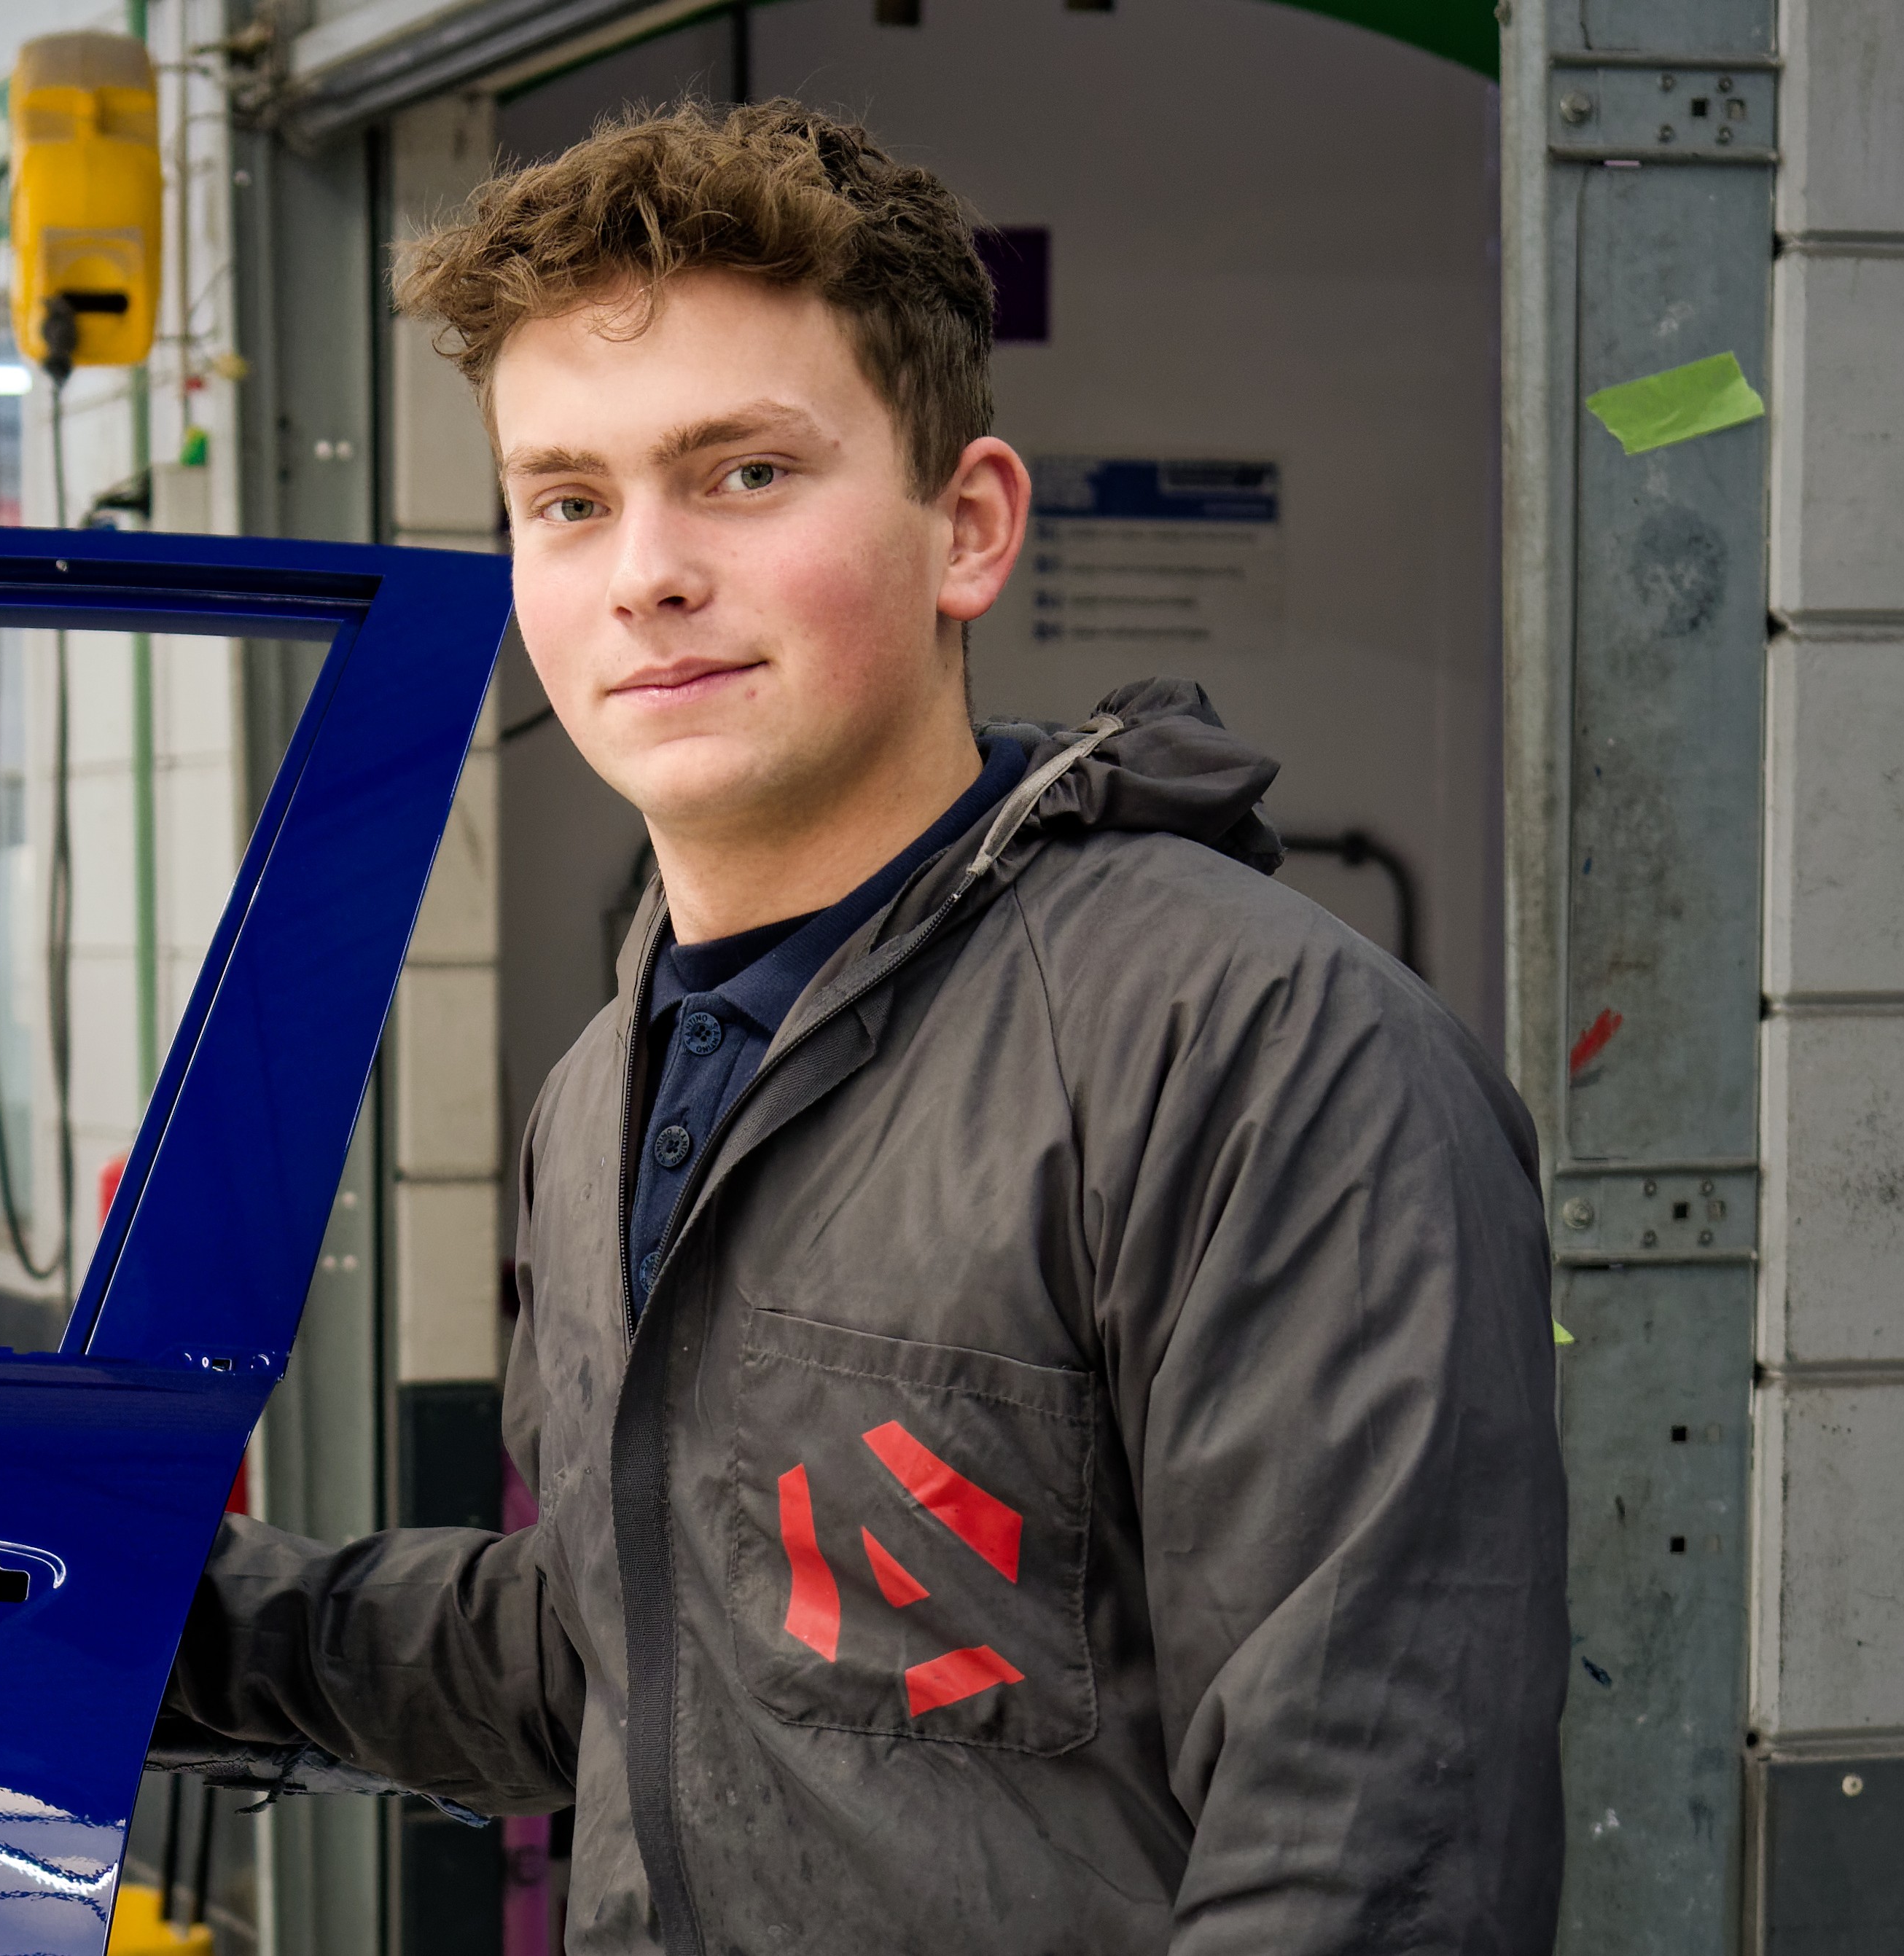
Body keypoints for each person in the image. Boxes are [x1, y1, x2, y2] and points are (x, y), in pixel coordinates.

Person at [153, 101, 1565, 1954]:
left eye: (740, 473)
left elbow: (1370, 1853)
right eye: (567, 501)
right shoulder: (604, 1095)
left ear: (964, 526)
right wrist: (120, 1612)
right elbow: (630, 1653)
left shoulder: (1255, 1052)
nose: (643, 569)